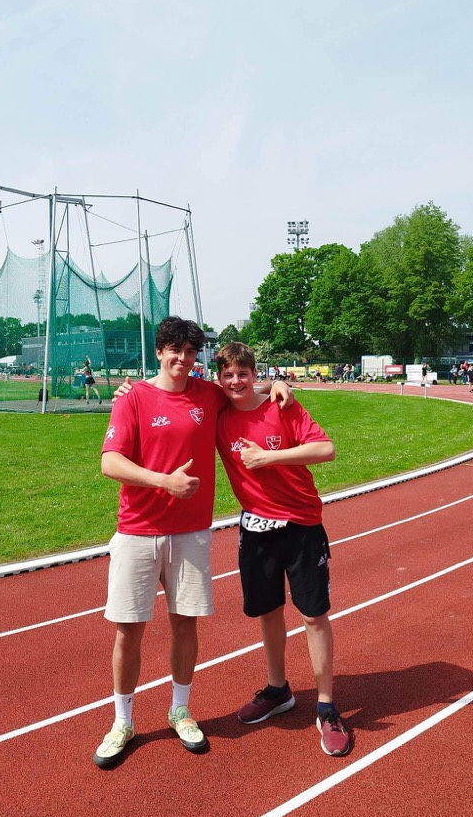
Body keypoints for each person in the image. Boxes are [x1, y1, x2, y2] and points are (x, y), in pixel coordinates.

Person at [94, 317, 292, 768]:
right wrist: (163, 482)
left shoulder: (207, 393)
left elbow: (244, 390)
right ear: (159, 352)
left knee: (185, 624)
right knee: (129, 629)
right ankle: (122, 721)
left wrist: (278, 384)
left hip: (191, 532)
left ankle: (180, 710)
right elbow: (110, 462)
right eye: (175, 351)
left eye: (190, 352)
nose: (183, 360)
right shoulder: (134, 398)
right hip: (138, 530)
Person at [215, 342, 350, 757]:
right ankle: (278, 690)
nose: (235, 381)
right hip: (256, 529)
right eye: (228, 374)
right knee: (268, 612)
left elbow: (325, 449)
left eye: (243, 373)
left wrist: (270, 457)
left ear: (255, 374)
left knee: (313, 615)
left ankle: (326, 706)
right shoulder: (218, 413)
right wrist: (130, 390)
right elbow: (176, 391)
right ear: (219, 378)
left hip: (301, 524)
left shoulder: (281, 406)